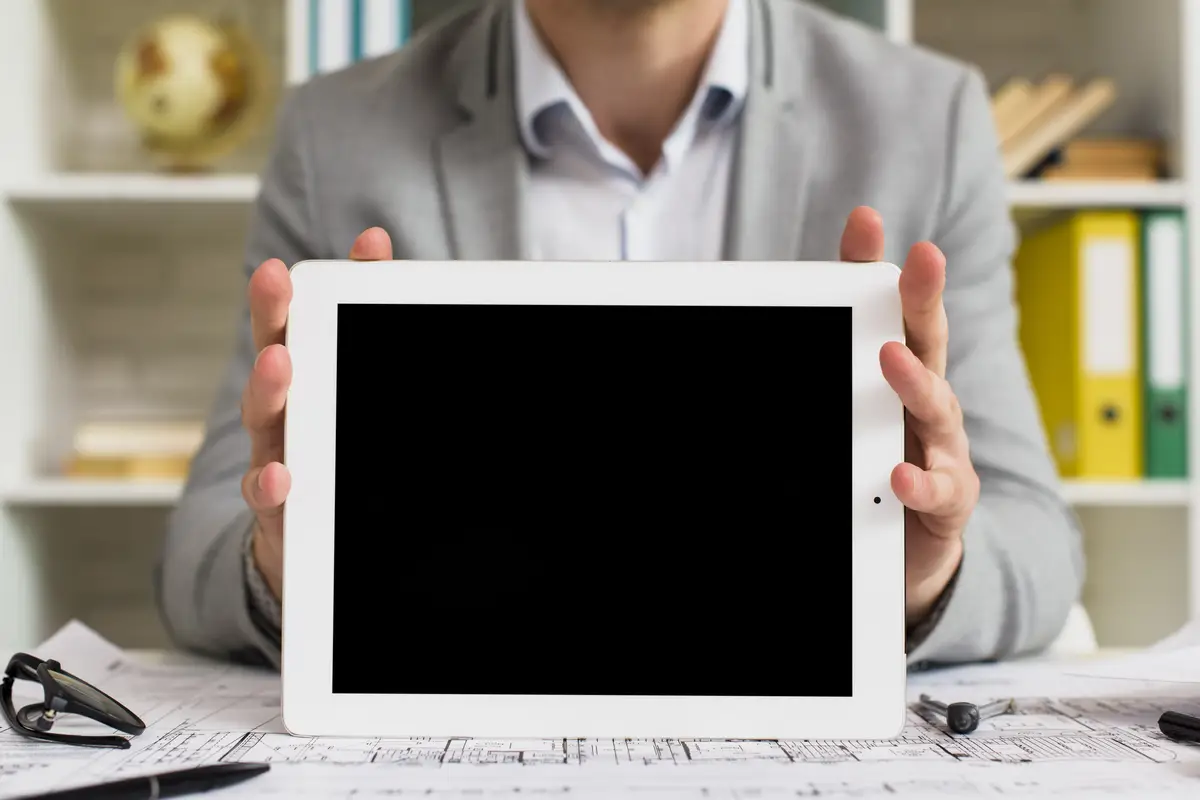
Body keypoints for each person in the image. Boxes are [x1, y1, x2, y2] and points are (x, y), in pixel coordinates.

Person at [156, 0, 1084, 671]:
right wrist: (284, 563)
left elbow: (1037, 539)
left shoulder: (927, 118)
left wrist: (921, 576)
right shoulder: (335, 133)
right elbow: (197, 547)